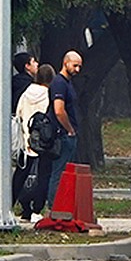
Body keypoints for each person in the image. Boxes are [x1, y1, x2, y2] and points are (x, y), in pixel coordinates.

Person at [14, 63, 55, 221]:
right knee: (43, 175)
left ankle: (19, 207)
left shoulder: (26, 93)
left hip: (26, 140)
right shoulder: (48, 94)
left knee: (21, 174)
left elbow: (19, 113)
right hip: (43, 142)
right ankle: (37, 210)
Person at [47, 50, 83, 213]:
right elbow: (59, 110)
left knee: (65, 172)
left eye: (79, 66)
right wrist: (69, 129)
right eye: (75, 65)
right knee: (58, 172)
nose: (77, 69)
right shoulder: (59, 83)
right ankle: (54, 206)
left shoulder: (67, 83)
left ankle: (63, 205)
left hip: (67, 134)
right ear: (65, 63)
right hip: (62, 135)